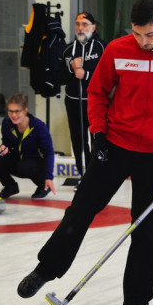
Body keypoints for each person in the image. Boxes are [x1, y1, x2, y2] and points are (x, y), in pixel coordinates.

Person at [16, 0, 153, 305]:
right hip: (115, 146)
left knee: (145, 229)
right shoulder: (118, 50)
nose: (143, 42)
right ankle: (46, 269)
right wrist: (99, 135)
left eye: (149, 35)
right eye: (136, 34)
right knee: (80, 210)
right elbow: (98, 92)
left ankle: (137, 303)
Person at [56, 12, 106, 180]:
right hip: (73, 102)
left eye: (84, 24)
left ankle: (98, 177)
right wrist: (70, 68)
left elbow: (108, 77)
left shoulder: (102, 48)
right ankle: (85, 177)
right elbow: (59, 78)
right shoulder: (68, 49)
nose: (80, 28)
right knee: (78, 141)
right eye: (77, 24)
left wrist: (85, 74)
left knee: (97, 141)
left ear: (93, 27)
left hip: (96, 104)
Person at [0, 93, 56, 199]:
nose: (13, 115)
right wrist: (4, 146)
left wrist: (49, 176)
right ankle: (10, 186)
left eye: (17, 111)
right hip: (19, 160)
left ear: (25, 110)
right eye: (10, 111)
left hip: (36, 163)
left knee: (25, 165)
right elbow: (6, 141)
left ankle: (44, 186)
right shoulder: (7, 123)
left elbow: (49, 152)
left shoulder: (38, 127)